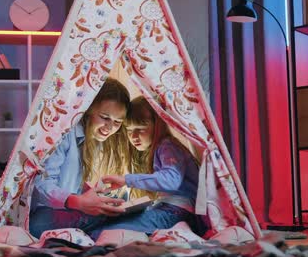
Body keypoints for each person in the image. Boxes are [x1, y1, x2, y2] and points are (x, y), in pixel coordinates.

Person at [28, 78, 131, 238]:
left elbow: (71, 185)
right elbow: (41, 185)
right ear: (88, 110)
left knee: (118, 210)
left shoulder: (93, 140)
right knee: (112, 216)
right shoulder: (65, 133)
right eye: (104, 117)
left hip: (66, 211)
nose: (110, 128)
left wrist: (94, 195)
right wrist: (80, 202)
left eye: (117, 122)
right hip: (41, 216)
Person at [89, 96, 200, 239]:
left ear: (157, 124)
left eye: (140, 129)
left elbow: (171, 180)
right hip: (168, 209)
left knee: (101, 233)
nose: (133, 136)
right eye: (129, 130)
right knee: (102, 226)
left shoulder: (168, 146)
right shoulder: (161, 148)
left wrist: (126, 180)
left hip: (177, 213)